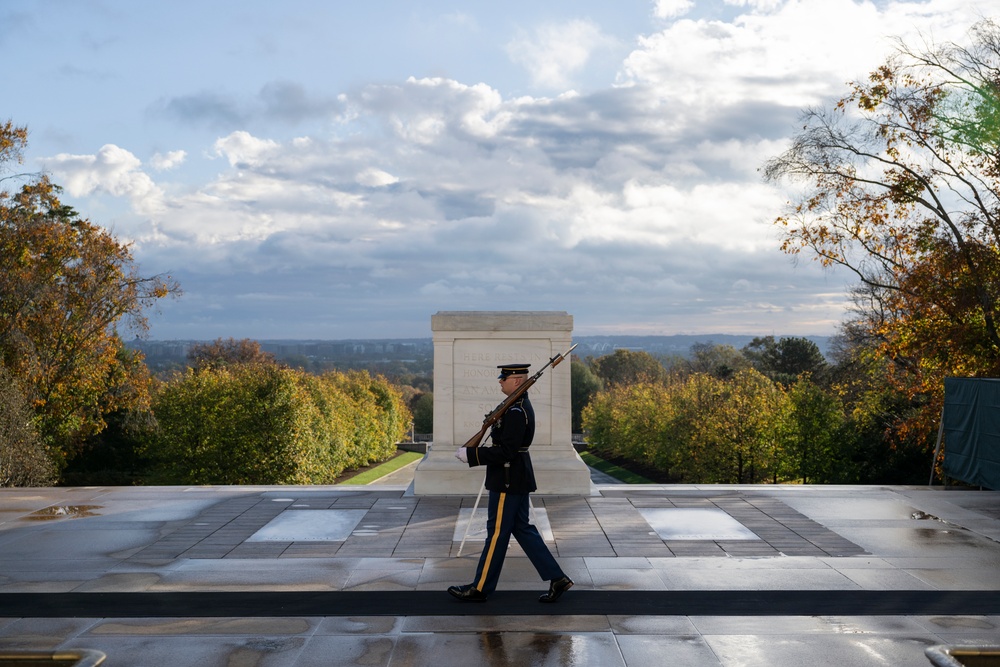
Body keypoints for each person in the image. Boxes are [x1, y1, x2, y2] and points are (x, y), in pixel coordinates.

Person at [448, 362, 573, 603]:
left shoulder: (516, 412)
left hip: (507, 479)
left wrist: (473, 455)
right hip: (513, 477)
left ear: (516, 381)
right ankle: (557, 578)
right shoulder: (515, 407)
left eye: (503, 378)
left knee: (496, 534)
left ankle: (480, 587)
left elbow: (507, 452)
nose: (500, 381)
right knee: (522, 529)